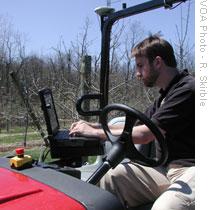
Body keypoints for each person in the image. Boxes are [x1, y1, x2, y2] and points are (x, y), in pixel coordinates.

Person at [70, 35, 195, 210]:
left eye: (140, 66)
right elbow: (135, 127)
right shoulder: (165, 95)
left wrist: (95, 133)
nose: (137, 73)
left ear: (157, 62)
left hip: (192, 169)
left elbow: (145, 135)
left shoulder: (188, 89)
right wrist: (96, 126)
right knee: (110, 177)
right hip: (166, 170)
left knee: (166, 207)